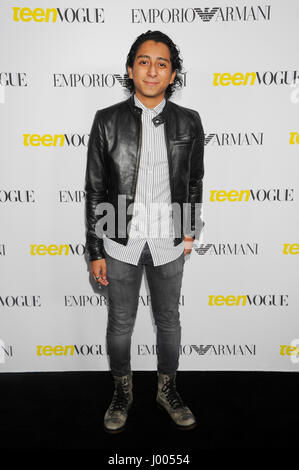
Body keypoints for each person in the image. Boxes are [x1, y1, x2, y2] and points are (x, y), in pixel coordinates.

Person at [84, 30, 205, 433]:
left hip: (170, 242)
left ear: (173, 75)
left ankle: (167, 389)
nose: (152, 70)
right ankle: (122, 391)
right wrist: (95, 249)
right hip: (121, 240)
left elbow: (194, 182)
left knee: (168, 321)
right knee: (120, 323)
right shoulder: (107, 120)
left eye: (162, 63)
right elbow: (96, 188)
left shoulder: (190, 121)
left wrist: (189, 231)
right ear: (131, 69)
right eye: (144, 61)